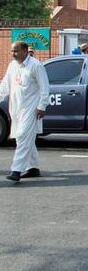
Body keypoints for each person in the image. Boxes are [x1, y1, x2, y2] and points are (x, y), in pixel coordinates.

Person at [0, 41, 50, 181]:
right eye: (12, 51)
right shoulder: (12, 66)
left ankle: (16, 170)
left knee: (22, 136)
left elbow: (44, 88)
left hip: (31, 108)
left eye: (16, 51)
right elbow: (5, 86)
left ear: (25, 51)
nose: (13, 54)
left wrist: (42, 106)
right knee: (23, 137)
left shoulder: (35, 65)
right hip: (16, 107)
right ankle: (33, 167)